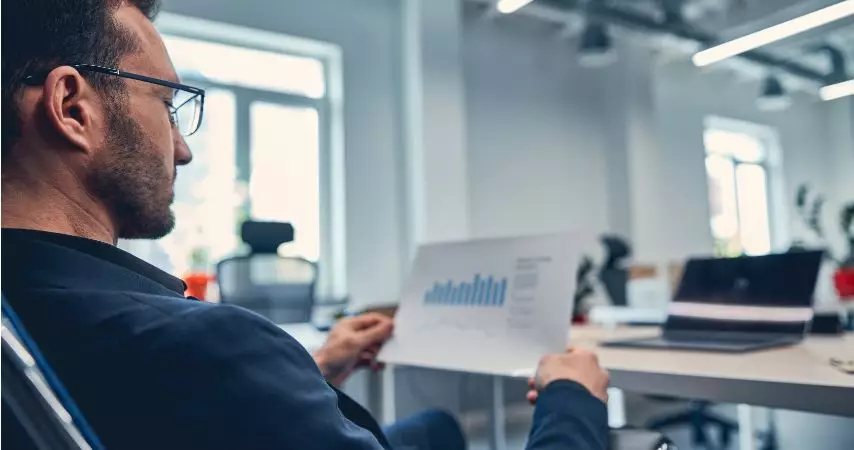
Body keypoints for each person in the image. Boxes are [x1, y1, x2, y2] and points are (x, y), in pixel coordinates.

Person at [0, 1, 610, 449]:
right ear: (72, 107)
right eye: (168, 105)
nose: (183, 150)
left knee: (436, 429)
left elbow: (142, 406)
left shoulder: (29, 316)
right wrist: (571, 403)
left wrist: (308, 369)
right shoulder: (213, 346)